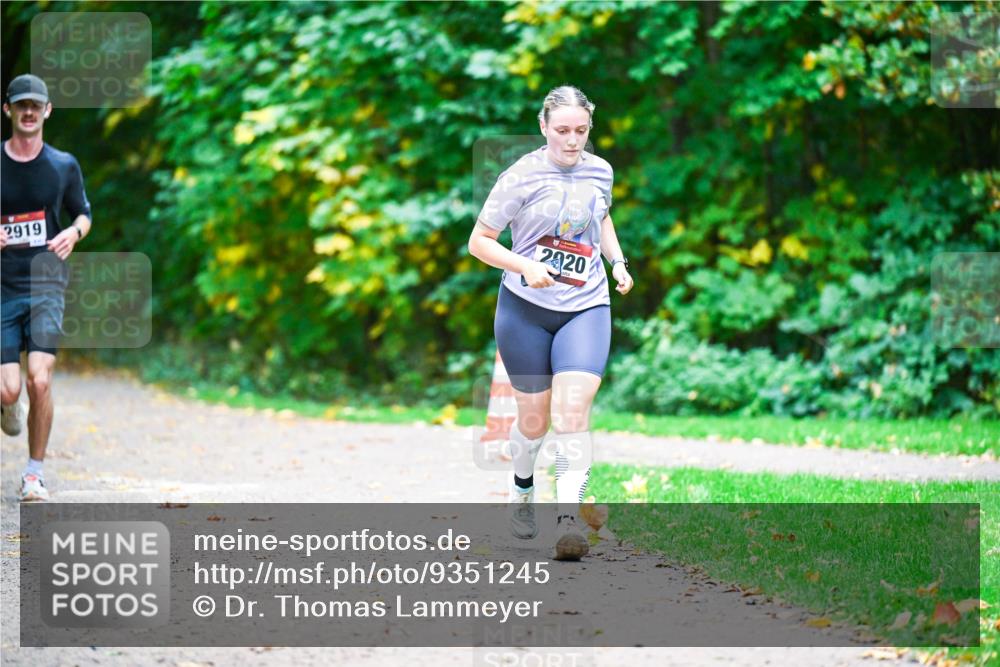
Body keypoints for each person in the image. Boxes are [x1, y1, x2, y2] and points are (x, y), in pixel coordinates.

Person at [468, 85, 633, 560]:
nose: (572, 140)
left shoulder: (600, 171)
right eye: (562, 131)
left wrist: (617, 262)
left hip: (586, 304)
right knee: (534, 422)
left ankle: (567, 524)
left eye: (581, 130)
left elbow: (601, 218)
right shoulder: (520, 176)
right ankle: (522, 489)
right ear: (543, 128)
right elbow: (480, 242)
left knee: (572, 414)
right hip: (525, 309)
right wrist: (524, 266)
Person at [1, 74, 92, 501]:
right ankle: (6, 405)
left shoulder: (63, 164)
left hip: (45, 284)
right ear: (9, 111)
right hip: (2, 286)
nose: (29, 111)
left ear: (48, 111)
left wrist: (74, 233)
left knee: (40, 380)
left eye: (36, 105)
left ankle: (34, 474)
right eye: (22, 105)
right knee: (10, 389)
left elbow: (83, 214)